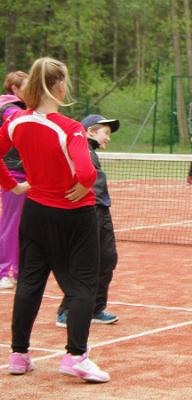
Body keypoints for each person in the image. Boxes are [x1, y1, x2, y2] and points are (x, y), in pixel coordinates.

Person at [0, 57, 109, 382]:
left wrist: (13, 185)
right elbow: (87, 171)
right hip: (75, 217)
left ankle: (18, 355)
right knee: (82, 284)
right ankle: (76, 356)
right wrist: (84, 185)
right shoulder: (70, 127)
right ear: (59, 85)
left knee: (30, 283)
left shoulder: (16, 121)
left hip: (35, 212)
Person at [56, 114, 122, 328]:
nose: (108, 138)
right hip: (89, 212)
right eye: (106, 132)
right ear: (90, 131)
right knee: (85, 263)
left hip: (100, 211)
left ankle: (95, 309)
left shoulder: (90, 152)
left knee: (107, 259)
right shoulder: (81, 149)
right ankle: (67, 310)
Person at [0, 70, 28, 290]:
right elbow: (15, 119)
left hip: (30, 174)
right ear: (15, 89)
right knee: (12, 223)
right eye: (26, 86)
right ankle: (6, 271)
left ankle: (19, 269)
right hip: (15, 174)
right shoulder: (11, 108)